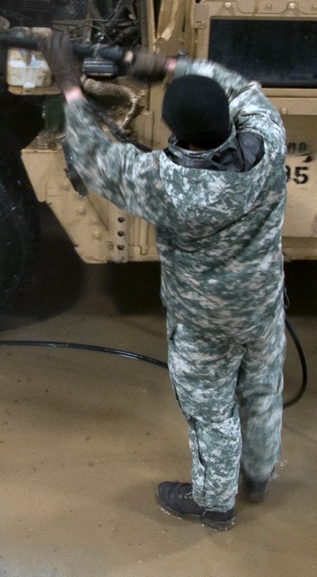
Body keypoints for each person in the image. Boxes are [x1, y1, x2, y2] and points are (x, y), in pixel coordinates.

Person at [41, 33, 288, 532]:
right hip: (261, 301)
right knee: (262, 389)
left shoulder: (163, 183)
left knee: (211, 411)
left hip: (203, 320)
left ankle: (214, 505)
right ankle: (259, 476)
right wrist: (169, 66)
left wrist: (69, 82)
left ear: (179, 132)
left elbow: (93, 157)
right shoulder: (268, 138)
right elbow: (243, 88)